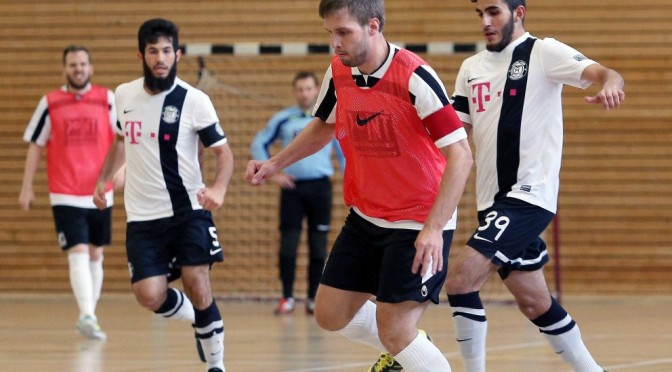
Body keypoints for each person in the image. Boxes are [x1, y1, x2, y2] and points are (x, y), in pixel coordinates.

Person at [247, 1, 473, 370]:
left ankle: (406, 345)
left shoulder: (415, 76)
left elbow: (461, 156)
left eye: (343, 33)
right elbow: (323, 126)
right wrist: (275, 164)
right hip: (367, 215)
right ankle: (411, 349)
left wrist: (433, 228)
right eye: (330, 34)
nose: (335, 43)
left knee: (395, 328)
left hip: (418, 220)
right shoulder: (339, 71)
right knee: (330, 314)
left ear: (373, 26)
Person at [444, 1, 625, 371]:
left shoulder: (544, 52)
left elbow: (607, 73)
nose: (486, 21)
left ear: (519, 13)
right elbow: (454, 135)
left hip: (528, 196)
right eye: (479, 13)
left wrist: (609, 84)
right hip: (490, 202)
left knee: (461, 280)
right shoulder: (470, 68)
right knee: (535, 302)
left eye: (493, 11)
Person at [93, 18, 234, 372]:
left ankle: (216, 364)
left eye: (167, 50)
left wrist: (218, 188)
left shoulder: (194, 100)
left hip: (189, 210)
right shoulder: (124, 95)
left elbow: (223, 152)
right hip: (142, 217)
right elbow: (121, 140)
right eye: (153, 50)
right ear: (141, 54)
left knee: (197, 280)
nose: (160, 57)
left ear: (177, 54)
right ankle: (198, 320)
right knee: (149, 295)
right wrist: (103, 178)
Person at [18, 45, 118, 341]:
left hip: (100, 190)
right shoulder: (50, 103)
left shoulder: (107, 100)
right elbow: (36, 145)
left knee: (96, 254)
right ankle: (86, 315)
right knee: (78, 250)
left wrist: (121, 174)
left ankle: (90, 314)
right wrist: (27, 186)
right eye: (73, 64)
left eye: (83, 64)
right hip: (64, 191)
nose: (78, 69)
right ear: (65, 69)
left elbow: (123, 141)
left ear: (91, 67)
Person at [250, 71, 345, 315]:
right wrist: (274, 174)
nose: (305, 93)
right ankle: (287, 297)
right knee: (289, 246)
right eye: (300, 89)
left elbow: (344, 152)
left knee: (318, 246)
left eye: (309, 89)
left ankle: (313, 298)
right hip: (293, 190)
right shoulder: (284, 118)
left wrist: (351, 182)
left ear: (316, 91)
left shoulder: (328, 119)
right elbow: (259, 143)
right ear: (295, 92)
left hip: (320, 188)